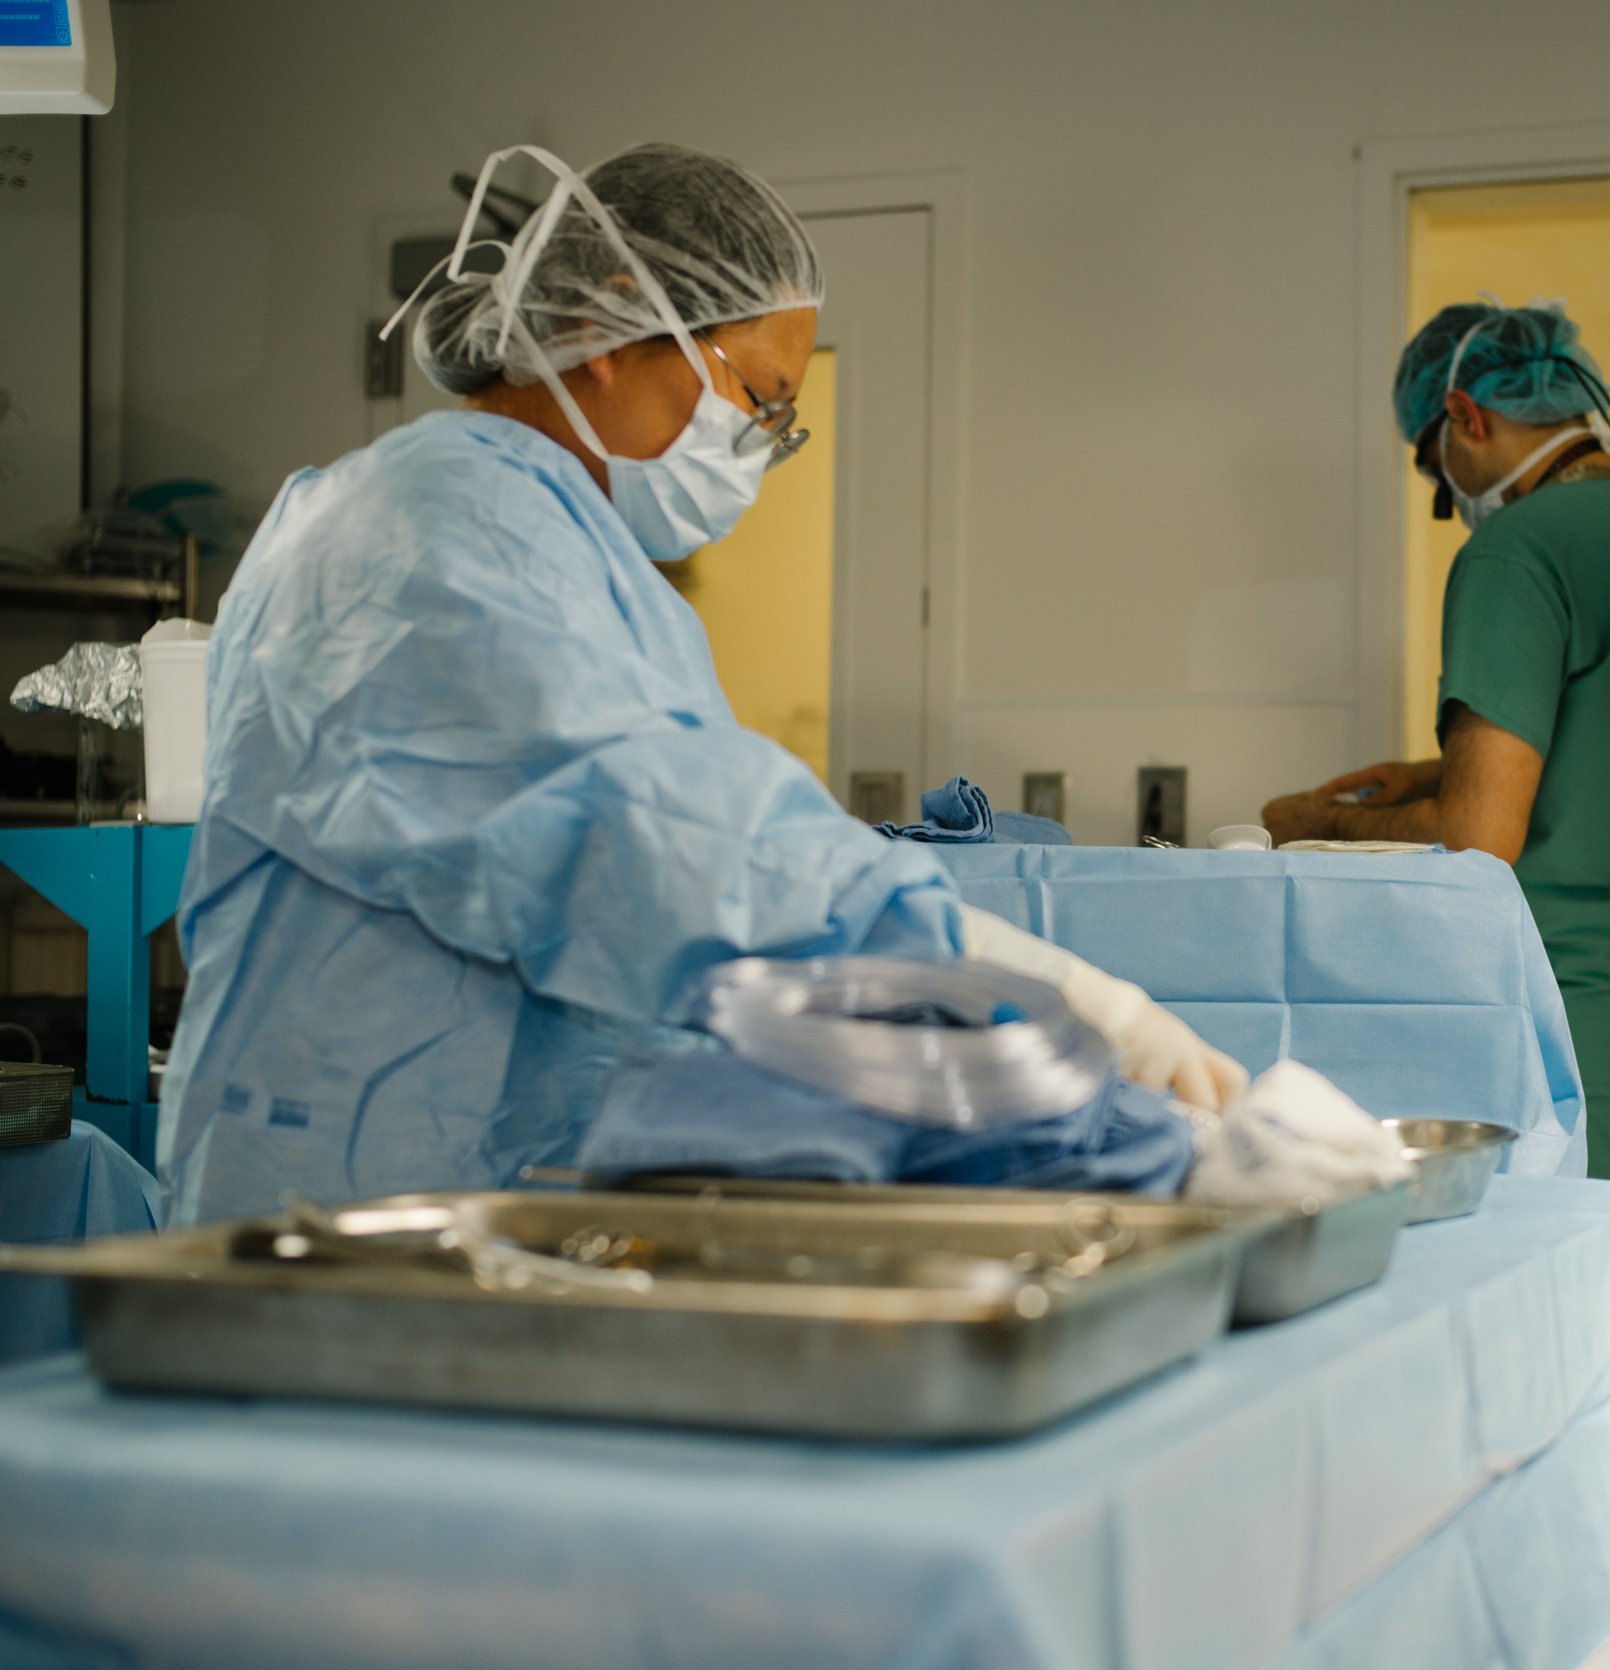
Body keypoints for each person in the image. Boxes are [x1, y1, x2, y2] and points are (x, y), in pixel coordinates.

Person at [159, 143, 1240, 1224]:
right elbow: (686, 851)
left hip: (467, 1182)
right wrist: (1046, 997)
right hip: (350, 1200)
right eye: (757, 401)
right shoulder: (440, 529)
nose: (760, 449)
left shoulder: (563, 547)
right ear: (607, 329)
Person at [1263, 300, 1610, 1200]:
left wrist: (1315, 822)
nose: (1451, 507)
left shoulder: (1518, 553)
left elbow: (1480, 833)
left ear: (1464, 417)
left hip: (1573, 1032)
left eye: (1437, 473)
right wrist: (1424, 771)